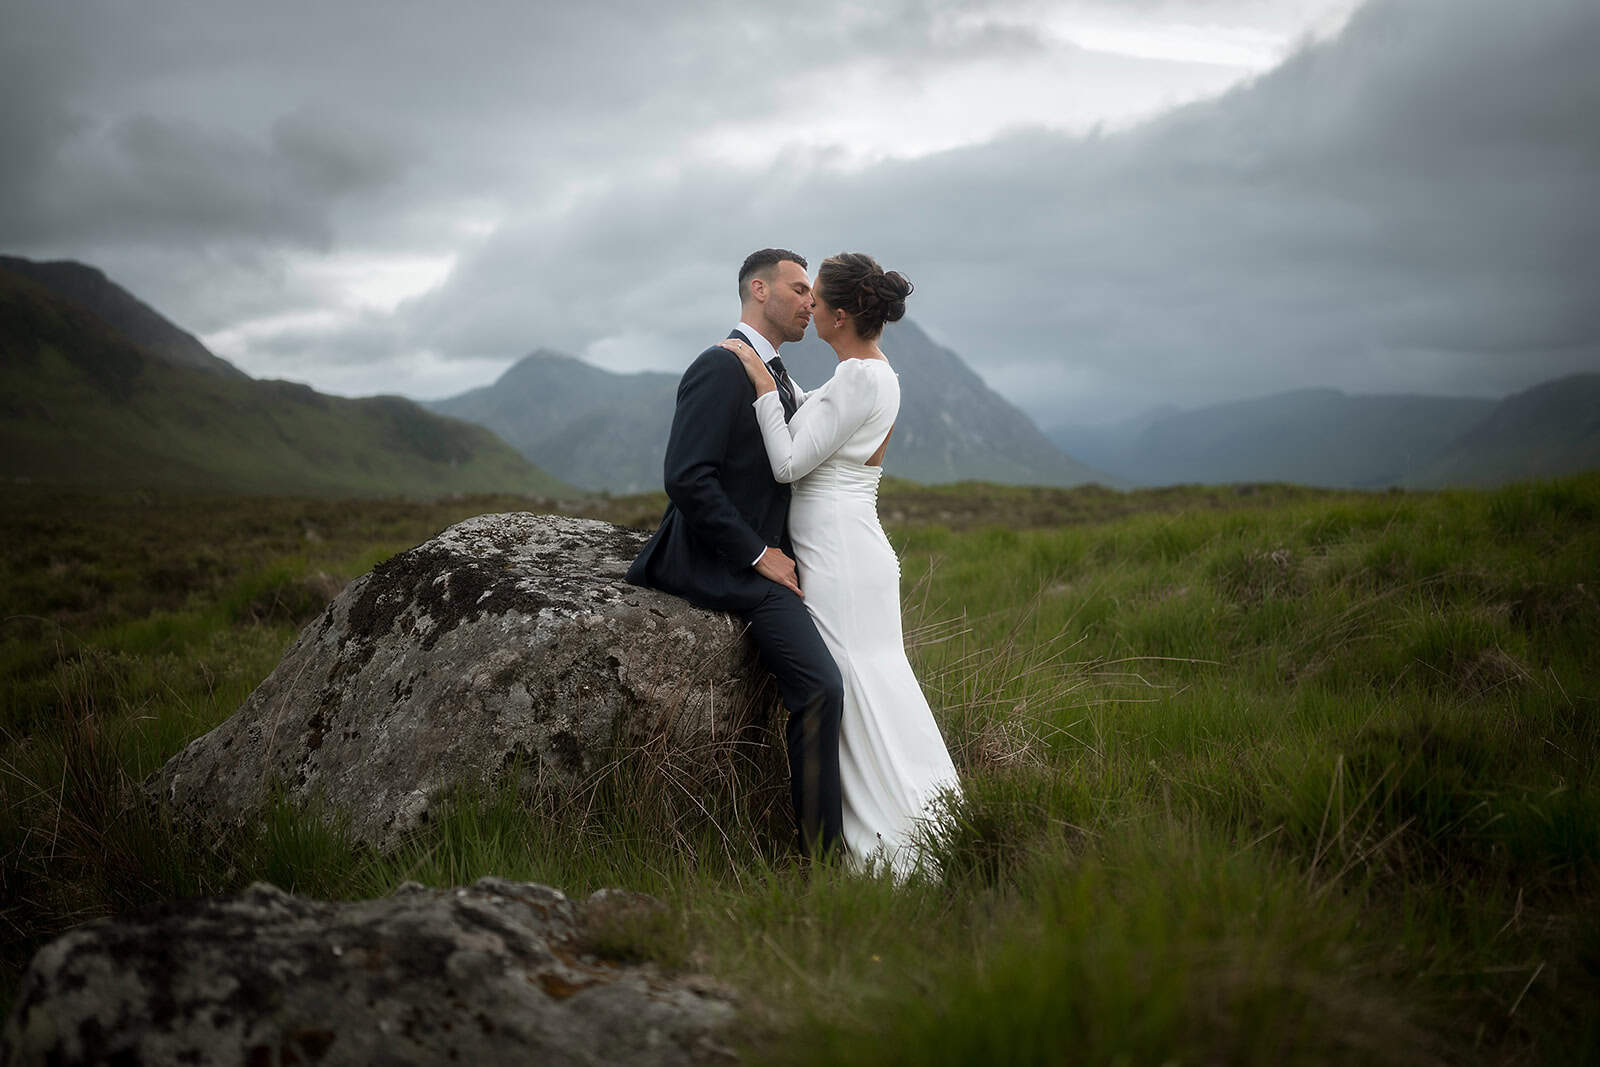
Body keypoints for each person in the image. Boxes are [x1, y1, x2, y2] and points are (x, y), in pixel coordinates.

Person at [719, 252, 961, 877]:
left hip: (840, 552)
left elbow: (790, 464)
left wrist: (766, 391)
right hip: (852, 546)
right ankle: (926, 826)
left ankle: (893, 850)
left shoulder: (858, 378)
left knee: (855, 687)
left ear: (841, 315)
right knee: (870, 683)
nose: (809, 306)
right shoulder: (875, 374)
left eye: (817, 299)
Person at [626, 248, 846, 860]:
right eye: (800, 289)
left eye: (812, 293)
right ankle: (822, 860)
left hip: (769, 560)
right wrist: (759, 556)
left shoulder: (776, 374)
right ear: (758, 290)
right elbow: (687, 477)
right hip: (719, 562)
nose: (811, 301)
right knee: (821, 687)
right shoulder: (719, 367)